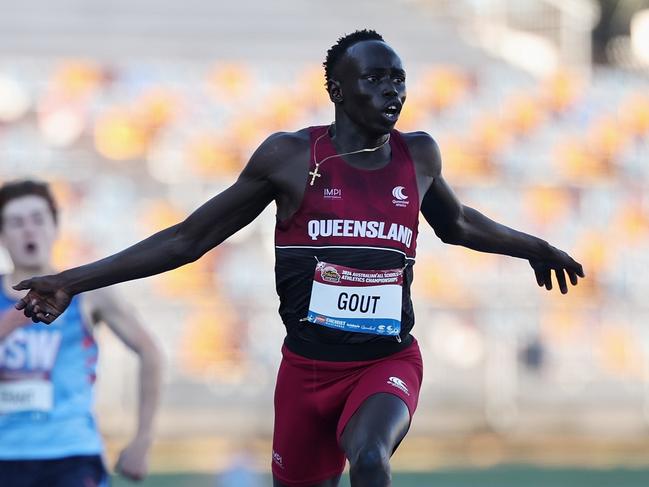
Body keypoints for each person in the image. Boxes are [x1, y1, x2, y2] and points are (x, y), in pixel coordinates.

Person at [14, 30, 584, 487]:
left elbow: (458, 225)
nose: (393, 91)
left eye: (399, 79)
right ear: (337, 89)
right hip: (306, 373)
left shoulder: (419, 155)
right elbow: (189, 239)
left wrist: (534, 247)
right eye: (375, 78)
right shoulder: (290, 157)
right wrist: (71, 280)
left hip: (385, 361)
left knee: (370, 460)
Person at [0, 180, 163, 486]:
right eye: (16, 223)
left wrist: (143, 439)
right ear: (3, 234)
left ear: (55, 226)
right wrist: (7, 325)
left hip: (72, 456)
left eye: (38, 219)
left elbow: (149, 351)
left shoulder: (87, 293)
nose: (29, 230)